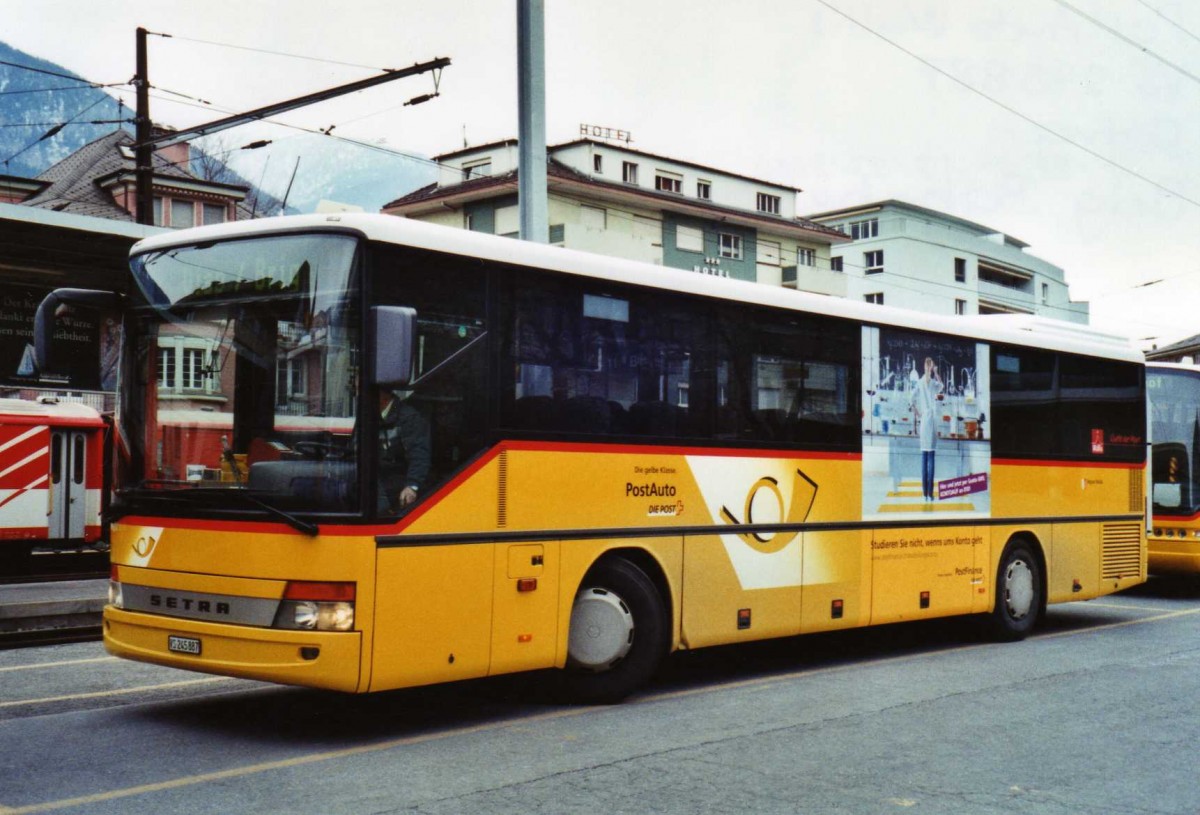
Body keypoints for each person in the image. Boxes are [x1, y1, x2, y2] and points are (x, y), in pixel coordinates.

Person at [378, 389, 431, 513]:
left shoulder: (410, 418)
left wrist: (412, 486)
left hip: (396, 480)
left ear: (383, 395)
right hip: (374, 478)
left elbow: (419, 455)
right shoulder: (367, 414)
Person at [911, 356, 943, 501]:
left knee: (925, 458)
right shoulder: (930, 383)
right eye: (931, 367)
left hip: (925, 420)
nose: (929, 369)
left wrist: (917, 412)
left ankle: (926, 494)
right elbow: (942, 385)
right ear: (929, 367)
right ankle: (929, 494)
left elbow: (911, 399)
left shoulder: (921, 382)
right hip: (931, 420)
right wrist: (936, 372)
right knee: (930, 459)